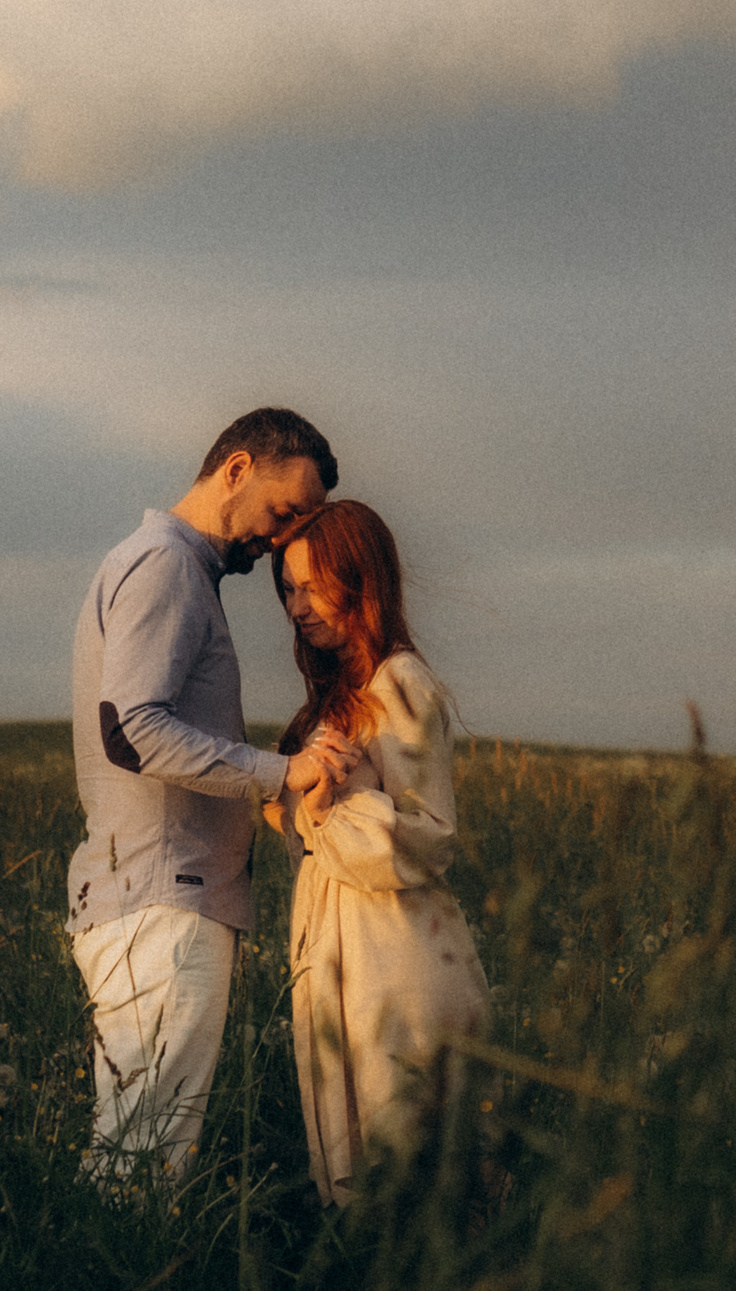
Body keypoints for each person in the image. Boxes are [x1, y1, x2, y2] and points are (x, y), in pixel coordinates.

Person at [66, 406, 360, 1185]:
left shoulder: (170, 567)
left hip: (155, 895)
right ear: (236, 470)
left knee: (135, 1147)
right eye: (283, 511)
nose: (280, 538)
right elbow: (131, 729)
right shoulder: (166, 565)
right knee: (143, 1161)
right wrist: (279, 771)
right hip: (162, 903)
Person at [264, 500, 490, 1208]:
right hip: (344, 941)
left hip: (391, 952)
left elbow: (430, 834)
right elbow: (307, 821)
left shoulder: (402, 683)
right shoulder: (347, 692)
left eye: (311, 586)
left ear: (360, 580)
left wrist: (324, 808)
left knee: (402, 1155)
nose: (296, 608)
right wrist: (296, 804)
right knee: (365, 1153)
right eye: (288, 589)